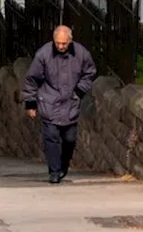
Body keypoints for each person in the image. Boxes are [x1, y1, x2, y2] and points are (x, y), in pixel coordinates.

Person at [23, 25, 97, 184]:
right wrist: (30, 103)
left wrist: (79, 91)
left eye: (64, 43)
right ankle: (54, 171)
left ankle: (63, 166)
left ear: (70, 40)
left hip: (71, 103)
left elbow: (90, 73)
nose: (61, 46)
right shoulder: (43, 54)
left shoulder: (81, 53)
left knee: (69, 139)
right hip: (49, 102)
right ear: (53, 40)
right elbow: (31, 79)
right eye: (58, 43)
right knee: (52, 138)